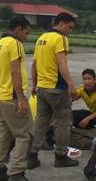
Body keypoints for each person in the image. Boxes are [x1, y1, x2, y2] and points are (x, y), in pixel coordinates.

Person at [0, 16, 38, 181]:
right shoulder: (14, 44)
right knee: (25, 135)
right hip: (12, 97)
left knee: (5, 136)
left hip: (1, 98)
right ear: (18, 29)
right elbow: (15, 72)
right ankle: (17, 174)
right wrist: (21, 98)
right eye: (26, 32)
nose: (27, 36)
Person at [28, 12, 79, 169]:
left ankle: (31, 155)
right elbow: (61, 64)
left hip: (42, 89)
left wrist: (34, 85)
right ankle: (61, 156)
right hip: (57, 89)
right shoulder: (60, 39)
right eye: (69, 27)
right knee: (62, 122)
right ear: (62, 23)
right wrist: (71, 84)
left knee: (41, 122)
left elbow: (34, 65)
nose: (70, 31)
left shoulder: (41, 38)